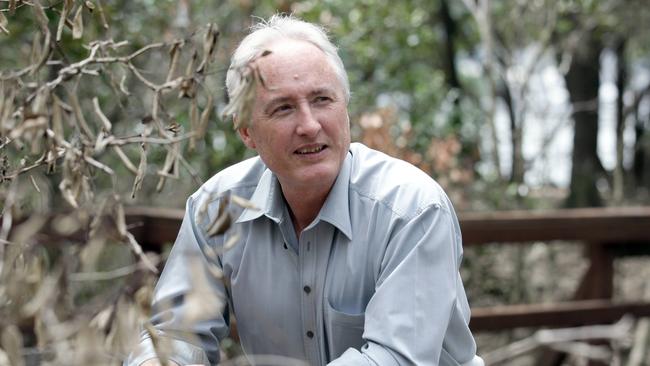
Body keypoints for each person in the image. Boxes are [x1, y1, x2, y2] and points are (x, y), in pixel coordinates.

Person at [125, 14, 483, 366]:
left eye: (323, 100)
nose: (310, 126)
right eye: (283, 109)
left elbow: (394, 359)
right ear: (246, 131)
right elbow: (175, 333)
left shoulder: (412, 208)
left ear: (346, 108)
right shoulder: (218, 207)